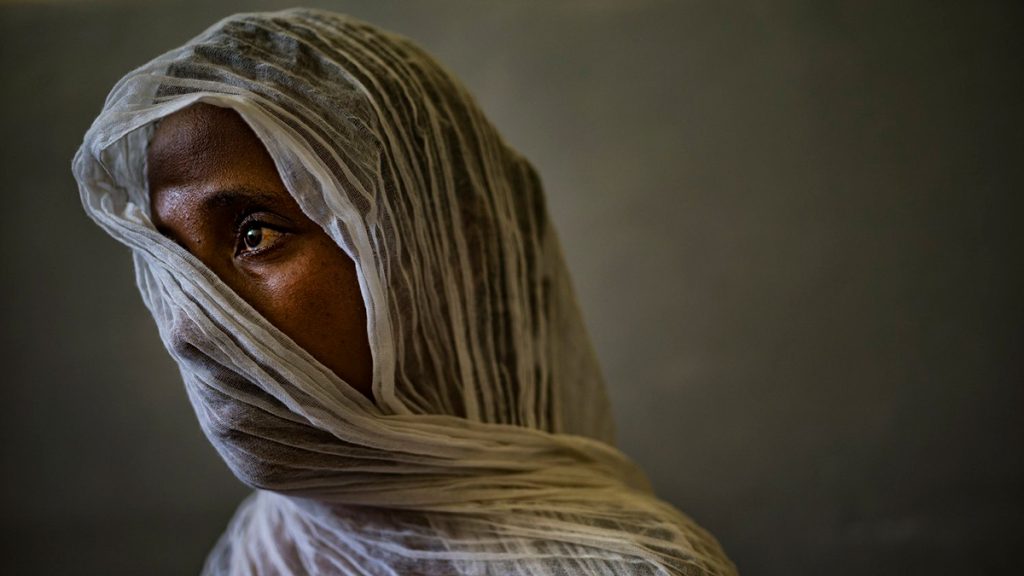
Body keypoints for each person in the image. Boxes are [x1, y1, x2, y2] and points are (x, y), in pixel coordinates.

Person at [73, 8, 736, 575]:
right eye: (174, 264)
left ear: (429, 256)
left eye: (254, 236)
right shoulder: (259, 554)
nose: (189, 327)